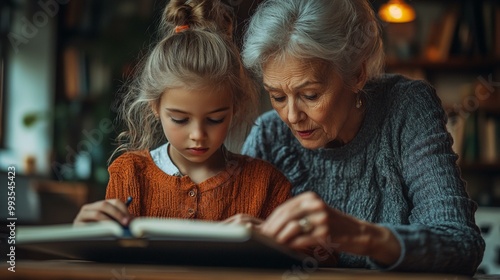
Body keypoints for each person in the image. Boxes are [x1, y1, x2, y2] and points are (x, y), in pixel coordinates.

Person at [240, 0, 485, 275]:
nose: (292, 116)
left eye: (310, 95)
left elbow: (461, 243)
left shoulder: (406, 108)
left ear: (357, 74)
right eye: (277, 96)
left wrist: (360, 236)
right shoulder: (270, 134)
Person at [73, 0, 291, 228]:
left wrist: (271, 241)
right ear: (155, 107)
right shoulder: (130, 174)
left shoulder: (267, 185)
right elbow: (109, 256)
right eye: (180, 119)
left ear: (235, 108)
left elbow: (314, 257)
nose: (198, 135)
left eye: (215, 119)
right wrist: (84, 236)